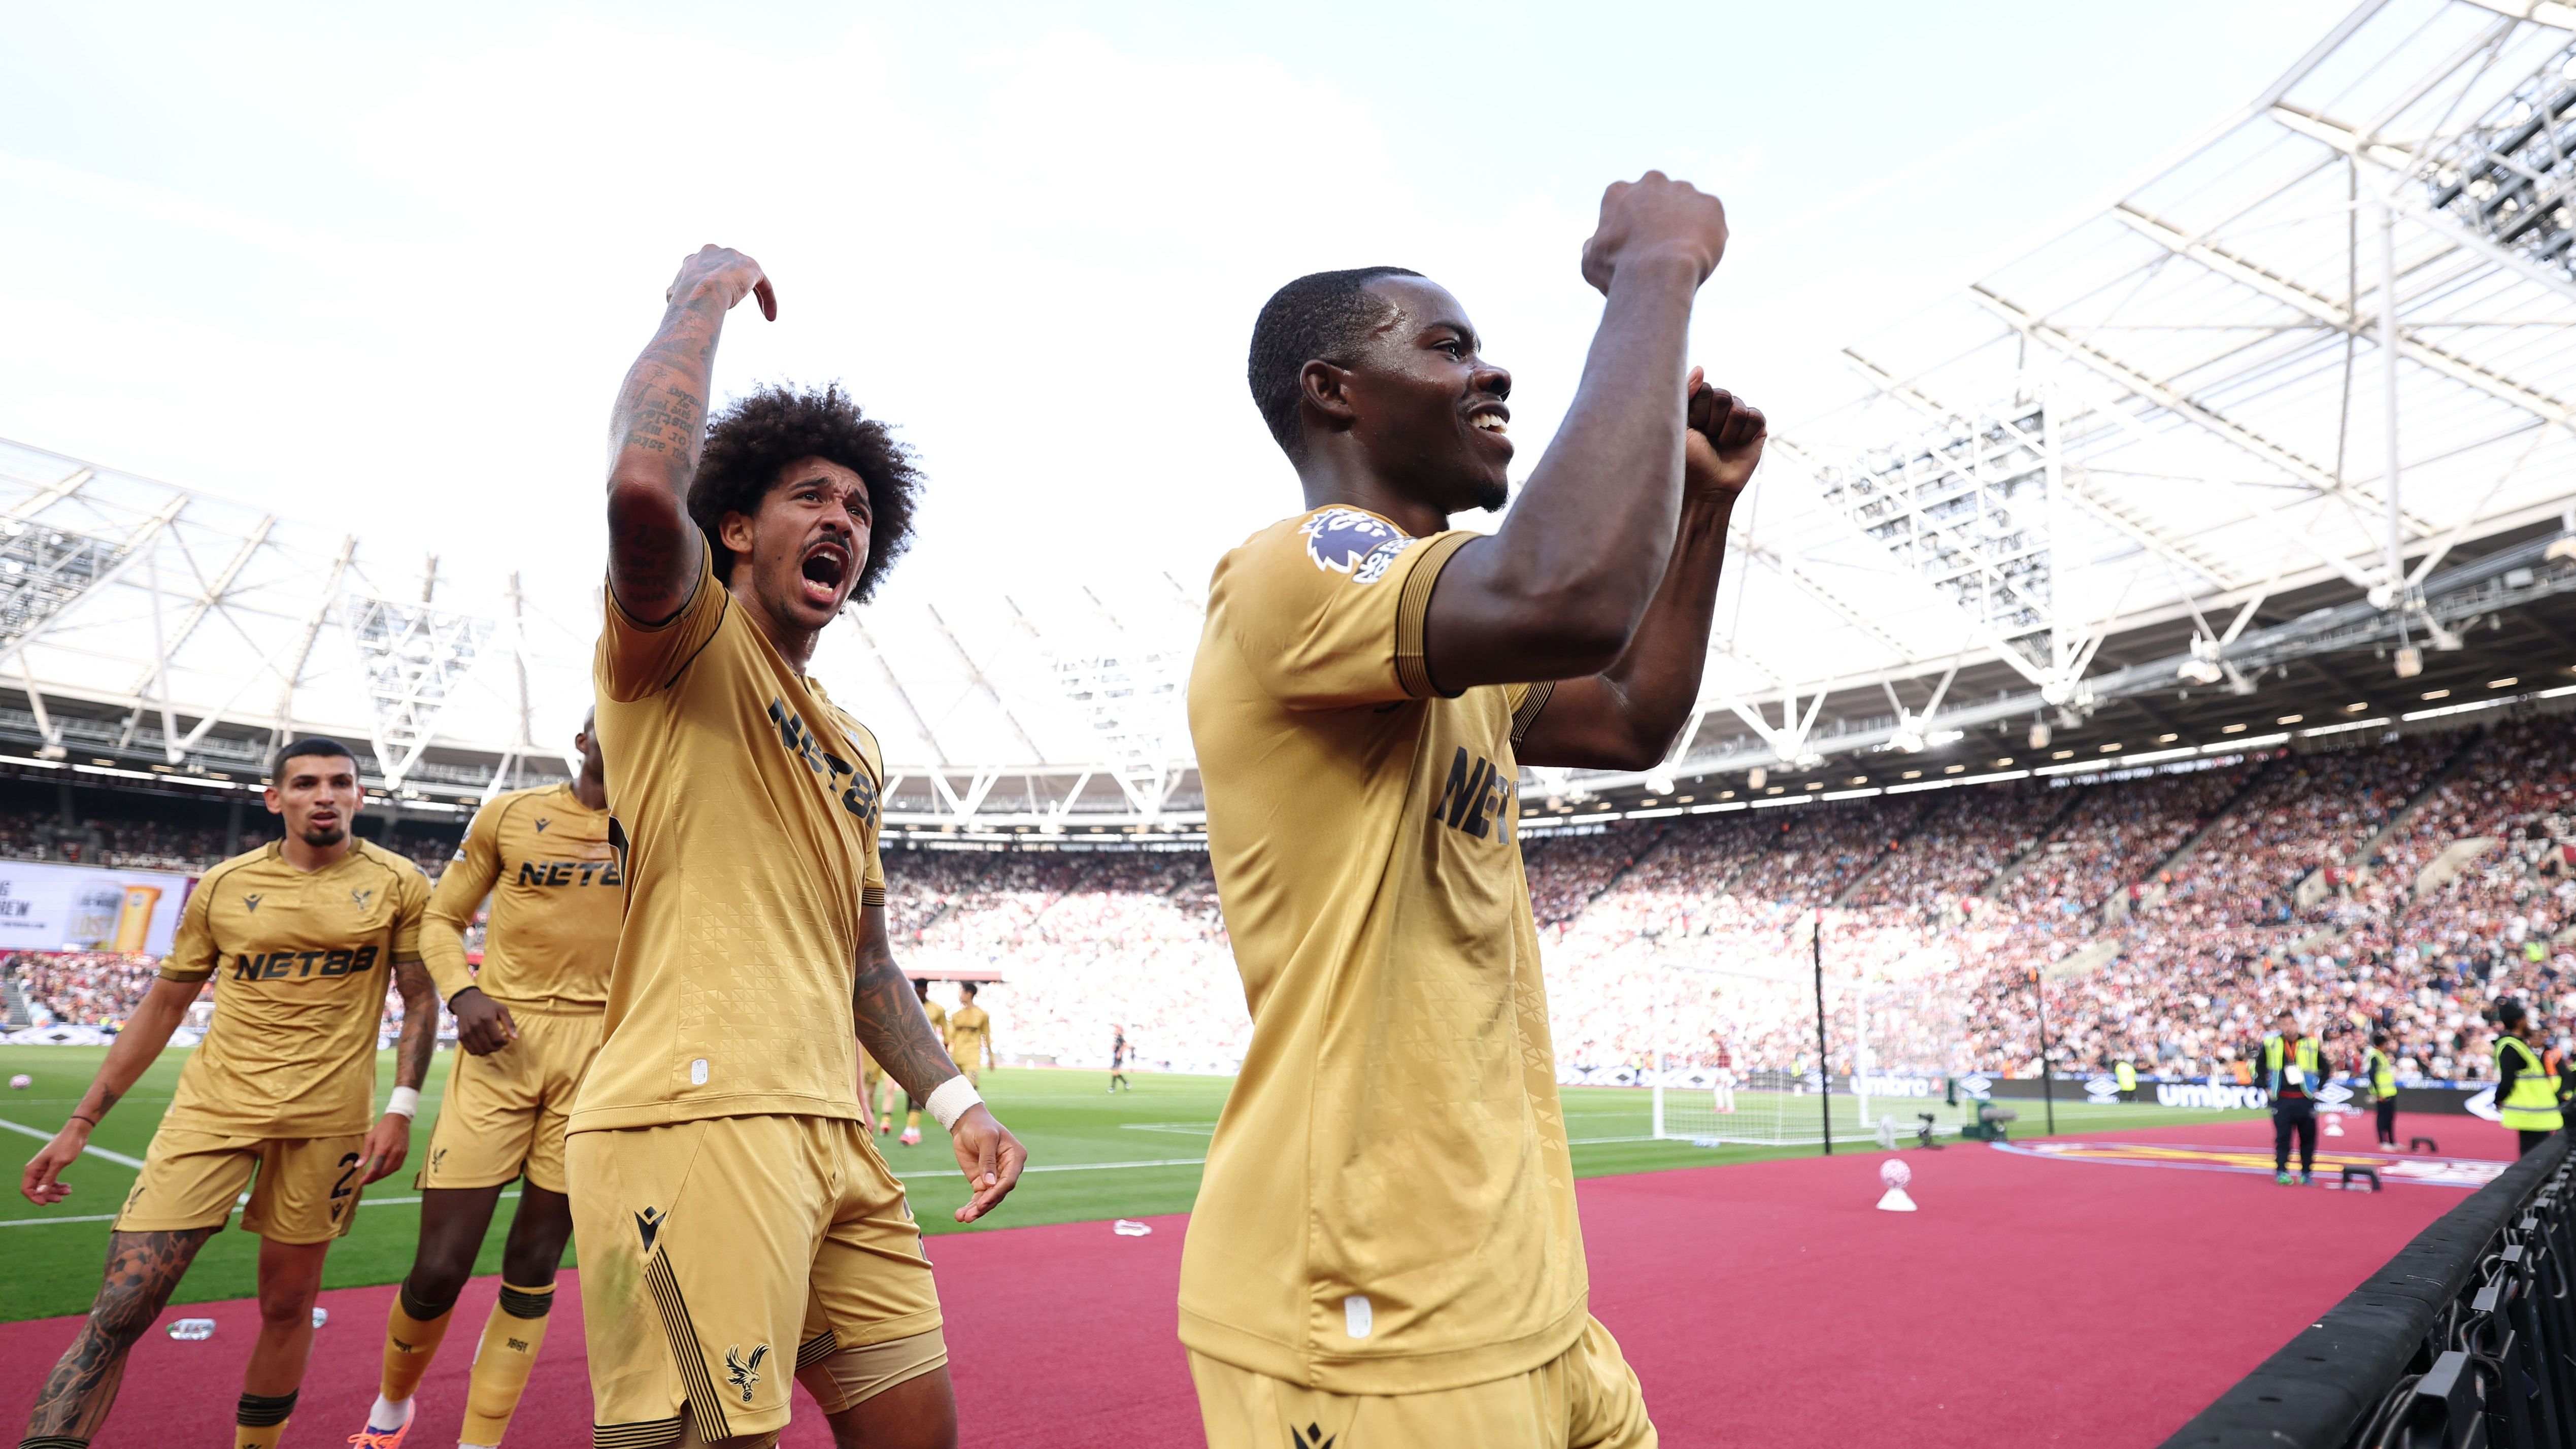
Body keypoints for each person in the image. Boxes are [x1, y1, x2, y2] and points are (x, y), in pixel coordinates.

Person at [1184, 172, 1760, 1448]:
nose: (1490, 371)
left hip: (1522, 1289)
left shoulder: (1450, 641)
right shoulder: (1298, 568)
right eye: (1446, 347)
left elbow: (1628, 716)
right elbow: (1563, 594)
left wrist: (1703, 506)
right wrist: (1653, 268)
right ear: (1333, 390)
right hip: (1370, 1304)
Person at [576, 244, 1026, 1449]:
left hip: (838, 1132)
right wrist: (701, 297)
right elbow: (640, 486)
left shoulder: (856, 743)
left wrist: (955, 1098)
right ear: (733, 524)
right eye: (812, 496)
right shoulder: (682, 644)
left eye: (861, 510)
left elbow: (864, 955)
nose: (842, 520)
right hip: (695, 1118)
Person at [17, 738, 435, 1449]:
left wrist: (400, 1107)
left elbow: (420, 995)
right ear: (275, 798)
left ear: (359, 795)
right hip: (212, 1112)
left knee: (288, 1302)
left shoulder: (400, 881)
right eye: (306, 783)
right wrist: (81, 1121)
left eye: (340, 782)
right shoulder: (223, 884)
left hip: (329, 1123)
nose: (325, 795)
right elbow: (163, 1005)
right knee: (122, 1303)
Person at [354, 712, 620, 1448]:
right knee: (439, 1267)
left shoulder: (667, 824)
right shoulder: (510, 813)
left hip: (600, 1060)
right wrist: (462, 993)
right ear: (582, 740)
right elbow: (441, 918)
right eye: (611, 720)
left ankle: (479, 1441)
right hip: (500, 1046)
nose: (629, 730)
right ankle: (391, 1405)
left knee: (535, 1260)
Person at [2259, 1011, 2324, 1185]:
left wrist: (2319, 1087)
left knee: (2308, 1138)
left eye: (2291, 1024)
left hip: (2305, 1098)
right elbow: (2259, 1067)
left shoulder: (2310, 1043)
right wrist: (2265, 1087)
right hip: (2282, 1099)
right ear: (2280, 1026)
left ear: (2297, 1024)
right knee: (2283, 1138)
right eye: (2284, 1024)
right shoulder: (2271, 1043)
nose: (2288, 1028)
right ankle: (2282, 1172)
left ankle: (2306, 1174)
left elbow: (2325, 1067)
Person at [2493, 998, 2562, 1156]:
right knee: (2535, 1158)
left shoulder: (2520, 1045)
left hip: (2534, 1113)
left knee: (2536, 1157)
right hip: (2531, 1113)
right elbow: (2508, 1080)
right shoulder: (2511, 1047)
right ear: (2519, 1022)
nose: (2528, 1023)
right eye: (2526, 1019)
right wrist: (2499, 1099)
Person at [900, 978, 950, 1147]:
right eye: (917, 991)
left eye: (921, 992)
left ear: (926, 991)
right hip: (908, 1053)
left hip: (928, 1054)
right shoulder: (907, 1006)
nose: (919, 994)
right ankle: (914, 1129)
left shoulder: (937, 1009)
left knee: (920, 1090)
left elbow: (945, 1030)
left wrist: (945, 1052)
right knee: (910, 1092)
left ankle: (909, 1130)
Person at [947, 983, 992, 1088]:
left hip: (972, 1058)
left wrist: (991, 1058)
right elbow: (950, 1037)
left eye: (962, 992)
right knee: (956, 1090)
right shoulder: (956, 1015)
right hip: (957, 1057)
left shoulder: (982, 1015)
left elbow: (987, 1037)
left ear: (969, 994)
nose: (960, 995)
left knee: (970, 1087)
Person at [2363, 1030, 2400, 1150]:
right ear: (2382, 1044)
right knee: (2382, 1117)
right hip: (2382, 1093)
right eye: (2385, 1044)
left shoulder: (2381, 1055)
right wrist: (2378, 1093)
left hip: (2390, 1091)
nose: (2387, 1047)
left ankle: (2392, 1141)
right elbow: (2372, 1074)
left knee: (2390, 1117)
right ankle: (2383, 1142)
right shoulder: (2375, 1056)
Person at [1109, 1024, 1130, 1093]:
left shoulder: (1120, 1037)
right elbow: (1117, 1046)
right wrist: (1114, 1047)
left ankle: (1113, 1088)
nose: (1115, 1030)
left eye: (1116, 1029)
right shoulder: (1117, 1038)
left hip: (1119, 1057)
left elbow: (1126, 1046)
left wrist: (1120, 1053)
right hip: (1116, 1056)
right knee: (1116, 1073)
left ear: (1119, 1030)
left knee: (1115, 1072)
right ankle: (1126, 1083)